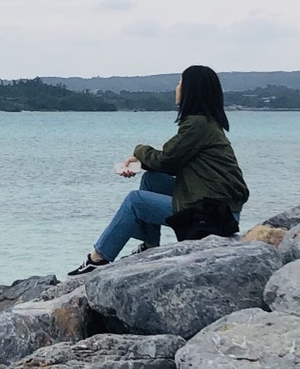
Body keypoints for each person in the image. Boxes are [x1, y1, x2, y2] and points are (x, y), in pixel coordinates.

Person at [70, 64, 249, 275]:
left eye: (180, 82)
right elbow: (171, 160)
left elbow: (167, 160)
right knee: (151, 180)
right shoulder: (206, 123)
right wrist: (141, 163)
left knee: (134, 201)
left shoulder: (197, 125)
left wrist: (139, 150)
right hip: (216, 206)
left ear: (192, 90)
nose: (177, 87)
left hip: (213, 216)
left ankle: (98, 259)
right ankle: (150, 247)